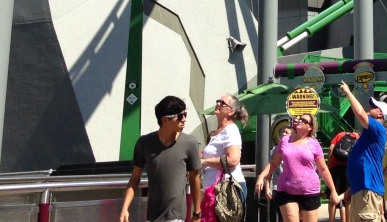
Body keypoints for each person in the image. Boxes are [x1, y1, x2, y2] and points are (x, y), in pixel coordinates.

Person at [120, 95, 201, 222]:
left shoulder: (190, 142)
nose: (184, 119)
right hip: (152, 216)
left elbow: (194, 179)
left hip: (176, 217)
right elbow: (135, 178)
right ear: (164, 120)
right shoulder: (144, 143)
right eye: (179, 116)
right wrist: (125, 208)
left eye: (185, 114)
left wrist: (197, 213)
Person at [254, 113, 342, 222]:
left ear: (310, 127)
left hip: (309, 191)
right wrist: (261, 177)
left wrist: (333, 190)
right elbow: (274, 163)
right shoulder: (285, 140)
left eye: (304, 120)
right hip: (286, 190)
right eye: (300, 119)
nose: (300, 121)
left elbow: (323, 169)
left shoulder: (314, 144)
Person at [337, 81, 387, 222]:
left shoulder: (378, 128)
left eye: (373, 106)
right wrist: (352, 188)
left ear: (380, 114)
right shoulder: (368, 134)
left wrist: (348, 92)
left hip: (368, 190)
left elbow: (359, 112)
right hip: (362, 189)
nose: (369, 107)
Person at [199, 94, 249, 222]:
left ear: (231, 111)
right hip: (216, 189)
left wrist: (204, 161)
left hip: (227, 189)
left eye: (223, 103)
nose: (218, 104)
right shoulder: (219, 132)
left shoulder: (230, 130)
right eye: (218, 101)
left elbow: (233, 160)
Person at [328, 128, 358, 222]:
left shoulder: (340, 134)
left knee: (333, 196)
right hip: (348, 169)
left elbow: (331, 149)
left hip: (335, 168)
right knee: (347, 197)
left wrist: (330, 163)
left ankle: (331, 220)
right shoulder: (358, 138)